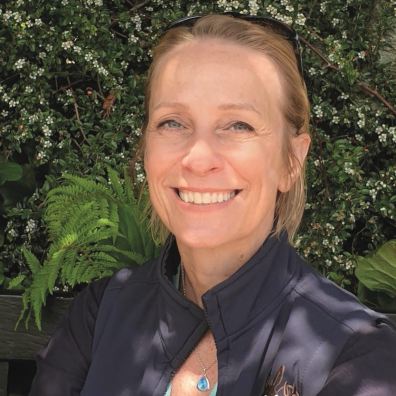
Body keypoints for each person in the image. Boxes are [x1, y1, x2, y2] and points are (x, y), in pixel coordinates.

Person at [29, 14, 396, 396]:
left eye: (238, 125)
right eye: (173, 122)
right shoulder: (101, 314)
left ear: (291, 160)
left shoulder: (357, 358)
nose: (198, 157)